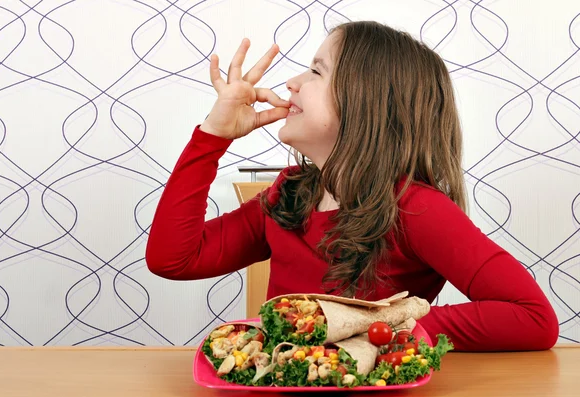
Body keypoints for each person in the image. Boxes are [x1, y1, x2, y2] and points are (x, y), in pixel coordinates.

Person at [145, 21, 559, 351]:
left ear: (368, 102)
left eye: (316, 71)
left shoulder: (416, 209)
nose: (291, 83)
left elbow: (533, 318)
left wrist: (379, 329)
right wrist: (213, 135)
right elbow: (174, 259)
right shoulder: (288, 194)